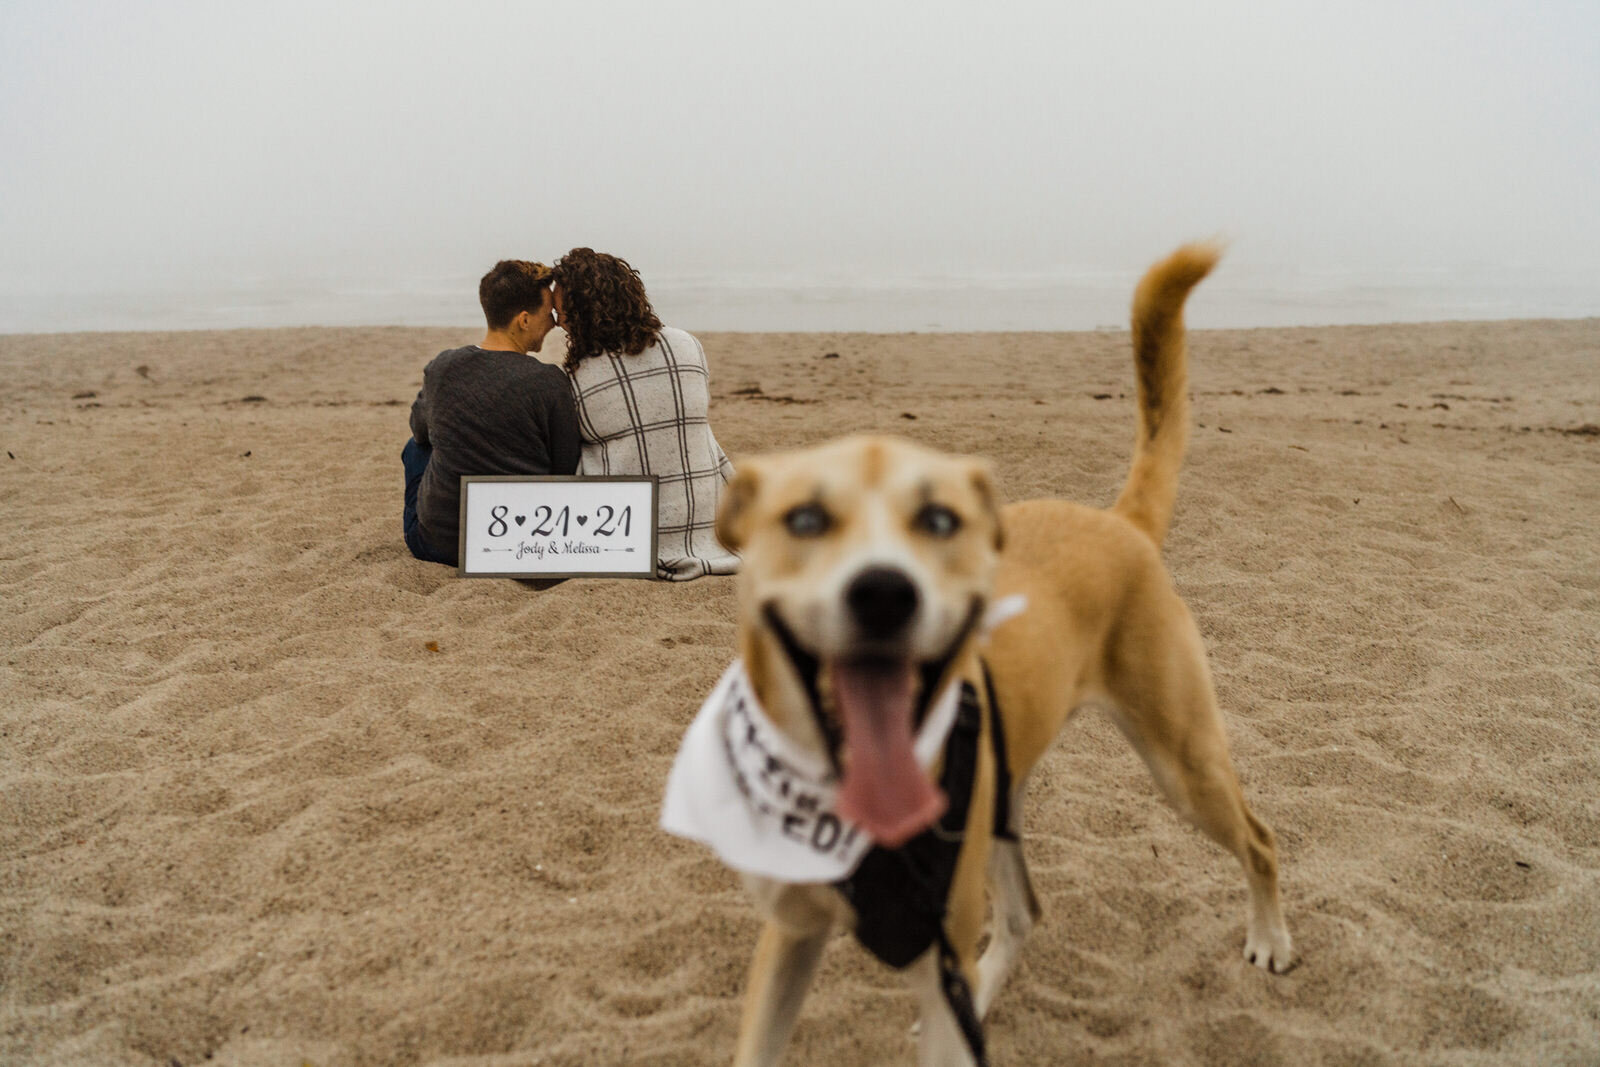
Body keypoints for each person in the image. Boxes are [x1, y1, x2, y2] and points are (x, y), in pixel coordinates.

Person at [553, 247, 738, 580]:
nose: (559, 323)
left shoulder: (579, 379)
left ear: (582, 312)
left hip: (630, 537)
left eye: (563, 311)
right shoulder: (687, 345)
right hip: (710, 524)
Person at [403, 260, 581, 566]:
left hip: (438, 547)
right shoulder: (550, 381)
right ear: (524, 320)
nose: (553, 323)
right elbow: (566, 464)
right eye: (547, 314)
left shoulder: (444, 366)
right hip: (518, 545)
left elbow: (419, 429)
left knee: (416, 446)